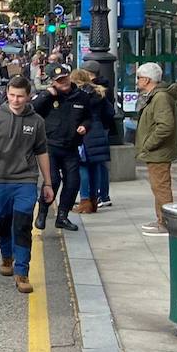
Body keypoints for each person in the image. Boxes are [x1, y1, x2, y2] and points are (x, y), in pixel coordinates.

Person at [0, 76, 54, 294]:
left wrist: (47, 183)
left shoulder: (36, 120)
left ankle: (22, 271)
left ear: (28, 96)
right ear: (7, 93)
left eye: (20, 96)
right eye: (12, 95)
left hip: (26, 179)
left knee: (22, 224)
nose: (16, 100)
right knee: (3, 220)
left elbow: (42, 151)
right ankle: (6, 255)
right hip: (0, 178)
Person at [31, 64, 90, 232]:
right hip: (50, 146)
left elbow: (89, 117)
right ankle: (42, 212)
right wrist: (46, 95)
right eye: (58, 81)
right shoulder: (47, 97)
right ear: (52, 82)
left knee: (73, 183)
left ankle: (62, 216)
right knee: (53, 181)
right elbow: (32, 111)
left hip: (71, 147)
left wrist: (85, 126)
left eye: (65, 78)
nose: (63, 82)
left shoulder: (81, 97)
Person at [134, 63, 177, 236]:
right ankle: (161, 219)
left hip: (159, 151)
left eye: (139, 78)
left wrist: (148, 144)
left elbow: (165, 126)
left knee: (161, 187)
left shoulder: (160, 97)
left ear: (146, 79)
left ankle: (167, 223)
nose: (137, 81)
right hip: (157, 151)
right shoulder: (156, 95)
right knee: (158, 186)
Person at [71, 69, 115, 213]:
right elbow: (110, 112)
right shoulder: (99, 93)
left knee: (82, 166)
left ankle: (84, 201)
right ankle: (94, 200)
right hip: (98, 131)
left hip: (84, 131)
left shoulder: (79, 95)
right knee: (95, 167)